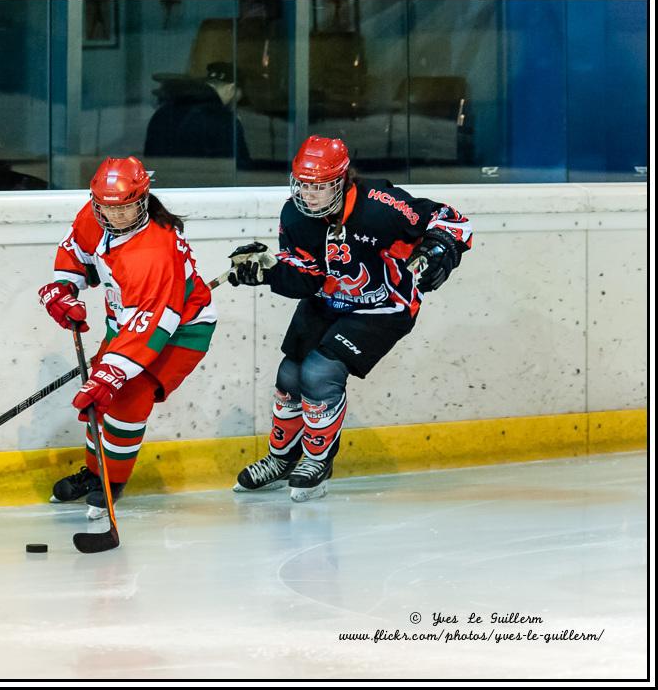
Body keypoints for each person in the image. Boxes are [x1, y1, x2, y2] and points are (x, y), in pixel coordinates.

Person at [227, 135, 472, 502]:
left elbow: (453, 221)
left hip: (383, 307)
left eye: (319, 187)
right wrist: (266, 273)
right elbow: (306, 278)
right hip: (328, 301)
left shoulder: (380, 205)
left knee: (319, 372)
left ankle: (317, 461)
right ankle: (282, 460)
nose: (307, 195)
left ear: (341, 181)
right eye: (302, 185)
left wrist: (442, 248)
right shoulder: (293, 215)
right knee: (290, 374)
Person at [38, 156, 218, 519]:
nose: (116, 216)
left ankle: (113, 481)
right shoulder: (95, 214)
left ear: (143, 200)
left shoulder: (154, 249)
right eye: (107, 208)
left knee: (126, 396)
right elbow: (77, 253)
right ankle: (94, 473)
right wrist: (64, 288)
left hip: (181, 330)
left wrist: (113, 371)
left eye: (126, 207)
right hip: (127, 322)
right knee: (97, 398)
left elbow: (154, 323)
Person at [144, 62, 251, 167]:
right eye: (240, 94)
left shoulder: (163, 113)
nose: (238, 102)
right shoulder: (224, 121)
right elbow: (238, 169)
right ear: (231, 88)